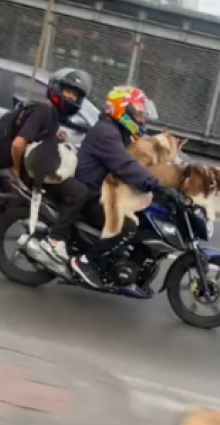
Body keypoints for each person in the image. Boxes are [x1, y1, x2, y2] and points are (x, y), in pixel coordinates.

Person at [69, 86, 180, 294]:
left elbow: (138, 164)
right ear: (123, 111)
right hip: (91, 193)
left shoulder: (120, 133)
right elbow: (126, 166)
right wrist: (155, 185)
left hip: (104, 190)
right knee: (127, 227)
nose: (142, 120)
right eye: (138, 114)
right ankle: (85, 261)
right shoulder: (107, 133)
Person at [0, 68, 91, 263]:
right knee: (80, 192)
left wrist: (55, 137)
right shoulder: (44, 110)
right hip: (33, 171)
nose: (71, 97)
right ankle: (56, 240)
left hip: (39, 166)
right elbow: (19, 143)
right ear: (56, 88)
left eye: (76, 94)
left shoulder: (51, 114)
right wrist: (16, 168)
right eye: (68, 91)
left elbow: (39, 139)